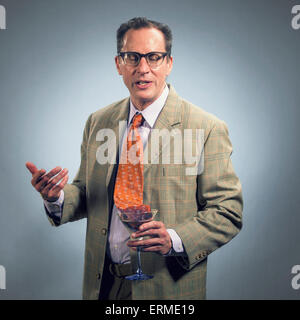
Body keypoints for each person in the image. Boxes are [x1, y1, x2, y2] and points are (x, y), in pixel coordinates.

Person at [26, 17, 243, 300]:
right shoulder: (98, 121)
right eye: (132, 57)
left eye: (154, 57)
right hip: (103, 283)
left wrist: (174, 239)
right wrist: (56, 198)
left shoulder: (206, 128)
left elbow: (228, 211)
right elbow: (87, 192)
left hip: (167, 288)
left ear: (169, 63)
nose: (143, 68)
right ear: (119, 64)